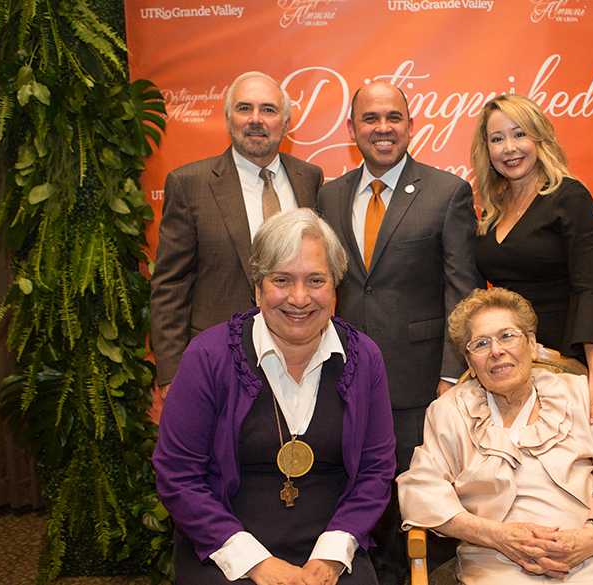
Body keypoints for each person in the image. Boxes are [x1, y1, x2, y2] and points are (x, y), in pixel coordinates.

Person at [153, 209, 396, 585]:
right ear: (257, 286)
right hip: (225, 549)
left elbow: (376, 470)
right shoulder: (208, 356)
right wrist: (256, 563)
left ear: (335, 289)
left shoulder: (365, 358)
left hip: (331, 547)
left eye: (316, 280)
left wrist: (332, 555)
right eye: (282, 280)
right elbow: (178, 475)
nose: (299, 298)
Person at [317, 81, 486, 585]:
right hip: (343, 378)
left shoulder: (447, 191)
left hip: (418, 386)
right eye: (370, 119)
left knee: (421, 506)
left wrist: (452, 375)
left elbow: (463, 290)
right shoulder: (329, 194)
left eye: (394, 117)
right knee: (354, 498)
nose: (382, 128)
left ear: (411, 125)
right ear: (352, 129)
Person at [397, 288, 593, 584]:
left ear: (532, 343)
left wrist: (591, 538)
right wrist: (498, 536)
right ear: (470, 363)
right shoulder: (449, 412)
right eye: (481, 344)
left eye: (507, 336)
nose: (496, 350)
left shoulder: (577, 392)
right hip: (501, 561)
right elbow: (422, 490)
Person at [151, 71, 324, 400]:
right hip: (218, 365)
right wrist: (172, 375)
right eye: (245, 108)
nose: (256, 119)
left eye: (269, 110)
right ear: (228, 118)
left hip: (301, 361)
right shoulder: (190, 184)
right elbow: (170, 287)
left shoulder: (310, 178)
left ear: (286, 123)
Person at [469, 93, 593, 436]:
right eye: (497, 139)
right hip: (507, 356)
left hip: (558, 358)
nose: (509, 148)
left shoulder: (569, 197)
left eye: (519, 133)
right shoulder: (492, 209)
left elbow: (586, 290)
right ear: (487, 150)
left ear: (539, 138)